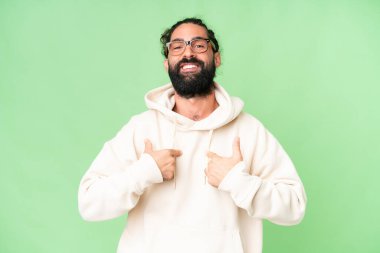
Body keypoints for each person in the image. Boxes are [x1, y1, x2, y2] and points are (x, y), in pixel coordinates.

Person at [78, 17, 307, 253]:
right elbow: (89, 203)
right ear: (167, 63)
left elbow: (295, 207)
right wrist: (143, 172)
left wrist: (238, 181)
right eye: (177, 46)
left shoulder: (249, 131)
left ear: (216, 58)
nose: (188, 52)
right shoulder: (141, 129)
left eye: (198, 45)